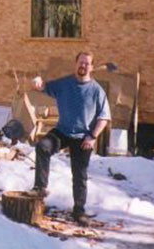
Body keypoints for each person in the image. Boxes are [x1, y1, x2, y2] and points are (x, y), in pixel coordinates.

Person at [30, 51, 111, 226]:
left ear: (91, 67)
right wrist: (37, 82)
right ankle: (40, 188)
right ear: (76, 64)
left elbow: (103, 118)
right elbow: (44, 87)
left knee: (79, 175)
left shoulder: (97, 91)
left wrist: (92, 136)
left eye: (87, 63)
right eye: (81, 62)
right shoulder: (64, 84)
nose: (83, 66)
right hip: (63, 131)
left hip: (83, 137)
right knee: (43, 146)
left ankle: (79, 211)